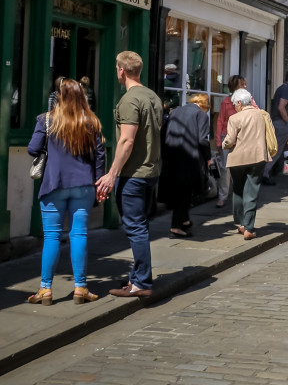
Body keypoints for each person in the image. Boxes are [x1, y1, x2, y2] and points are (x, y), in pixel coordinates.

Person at [26, 79, 105, 305]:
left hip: (54, 184)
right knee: (78, 234)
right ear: (82, 97)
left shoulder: (47, 119)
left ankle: (45, 289)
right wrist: (99, 182)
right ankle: (80, 288)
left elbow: (33, 148)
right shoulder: (91, 121)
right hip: (83, 186)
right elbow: (100, 156)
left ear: (59, 96)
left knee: (51, 236)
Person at [95, 51, 163, 298]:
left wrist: (111, 174)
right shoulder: (153, 97)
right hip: (151, 171)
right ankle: (137, 277)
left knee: (136, 228)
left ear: (121, 71)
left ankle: (141, 282)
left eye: (116, 68)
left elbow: (127, 140)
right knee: (141, 226)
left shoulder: (129, 100)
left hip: (134, 173)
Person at [223, 88, 276, 240]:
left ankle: (240, 223)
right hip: (258, 157)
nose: (234, 107)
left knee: (238, 190)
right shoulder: (262, 115)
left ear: (239, 103)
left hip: (237, 159)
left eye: (235, 104)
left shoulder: (235, 118)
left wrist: (223, 145)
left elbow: (230, 140)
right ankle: (249, 227)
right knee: (251, 191)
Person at [159, 93, 211, 238]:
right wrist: (207, 158)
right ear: (204, 106)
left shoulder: (176, 111)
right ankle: (176, 227)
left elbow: (163, 133)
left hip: (171, 156)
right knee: (185, 192)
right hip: (189, 157)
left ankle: (185, 220)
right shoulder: (201, 115)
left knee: (178, 191)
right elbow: (202, 140)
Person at [214, 75, 247, 208]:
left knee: (242, 167)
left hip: (243, 137)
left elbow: (256, 113)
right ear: (234, 86)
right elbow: (220, 121)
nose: (245, 87)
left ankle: (241, 195)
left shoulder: (248, 100)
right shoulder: (226, 101)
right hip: (227, 136)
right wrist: (218, 142)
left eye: (245, 84)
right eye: (242, 84)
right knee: (225, 168)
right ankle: (222, 196)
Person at [263, 70, 288, 184]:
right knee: (277, 150)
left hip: (280, 123)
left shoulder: (284, 89)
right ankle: (264, 174)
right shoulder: (285, 89)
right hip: (282, 124)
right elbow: (281, 107)